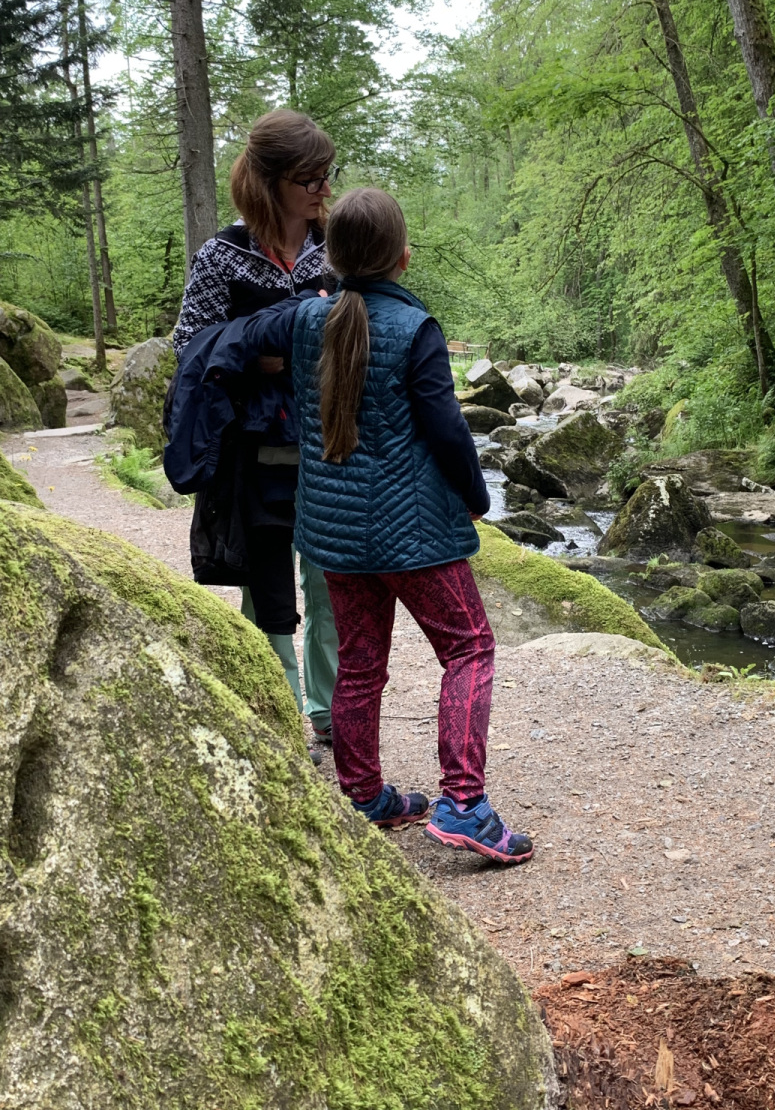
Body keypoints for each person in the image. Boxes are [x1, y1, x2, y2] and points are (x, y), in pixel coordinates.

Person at [199, 187, 533, 864]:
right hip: (414, 533)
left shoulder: (303, 320)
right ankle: (464, 804)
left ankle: (363, 796)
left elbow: (230, 338)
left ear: (332, 259)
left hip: (333, 530)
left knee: (359, 663)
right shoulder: (415, 329)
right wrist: (475, 497)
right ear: (403, 257)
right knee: (469, 649)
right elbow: (447, 430)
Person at [170, 109, 338, 751]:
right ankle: (282, 722)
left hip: (330, 445)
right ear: (269, 183)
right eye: (310, 178)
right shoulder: (222, 257)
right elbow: (190, 346)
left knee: (331, 582)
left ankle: (329, 716)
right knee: (265, 587)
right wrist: (262, 355)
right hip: (254, 452)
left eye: (326, 174)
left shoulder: (335, 248)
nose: (324, 189)